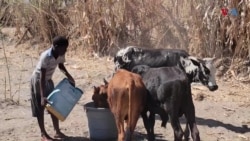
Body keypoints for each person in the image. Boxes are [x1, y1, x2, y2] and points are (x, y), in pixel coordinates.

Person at [30, 36, 75, 141]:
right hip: (38, 81)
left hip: (48, 80)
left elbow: (61, 66)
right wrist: (42, 96)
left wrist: (69, 76)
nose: (65, 51)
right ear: (55, 46)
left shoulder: (60, 54)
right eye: (64, 48)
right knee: (41, 106)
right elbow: (41, 77)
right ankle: (43, 134)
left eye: (66, 48)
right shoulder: (46, 56)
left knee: (53, 106)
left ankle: (57, 131)